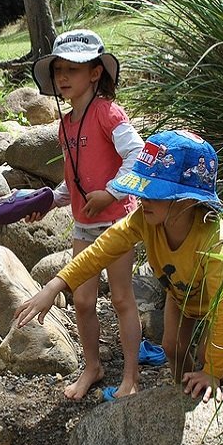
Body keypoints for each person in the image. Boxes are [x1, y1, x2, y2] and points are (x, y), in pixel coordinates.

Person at [14, 130, 223, 402]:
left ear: (187, 201)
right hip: (180, 290)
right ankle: (183, 392)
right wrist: (56, 285)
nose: (142, 199)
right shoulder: (144, 219)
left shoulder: (213, 242)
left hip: (219, 296)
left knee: (209, 356)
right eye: (142, 190)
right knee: (171, 346)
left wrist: (211, 371)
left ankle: (219, 379)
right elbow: (102, 249)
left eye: (154, 192)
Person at [25, 29, 145, 400]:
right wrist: (49, 201)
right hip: (84, 223)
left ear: (95, 73)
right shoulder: (66, 124)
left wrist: (112, 191)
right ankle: (92, 366)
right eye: (59, 69)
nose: (63, 77)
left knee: (123, 298)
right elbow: (74, 180)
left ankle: (131, 376)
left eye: (73, 69)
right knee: (82, 300)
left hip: (117, 222)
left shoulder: (108, 113)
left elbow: (139, 156)